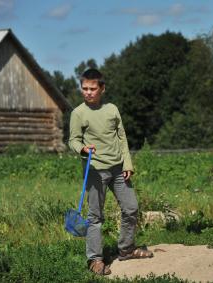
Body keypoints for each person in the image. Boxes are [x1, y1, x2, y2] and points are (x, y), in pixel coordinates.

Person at [69, 68, 153, 275]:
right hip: (95, 171)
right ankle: (95, 259)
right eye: (84, 88)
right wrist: (82, 148)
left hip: (118, 169)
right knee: (95, 216)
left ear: (102, 88)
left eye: (92, 88)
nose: (87, 92)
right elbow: (73, 140)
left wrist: (128, 164)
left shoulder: (112, 109)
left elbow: (122, 138)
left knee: (131, 207)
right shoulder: (78, 113)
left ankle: (126, 249)